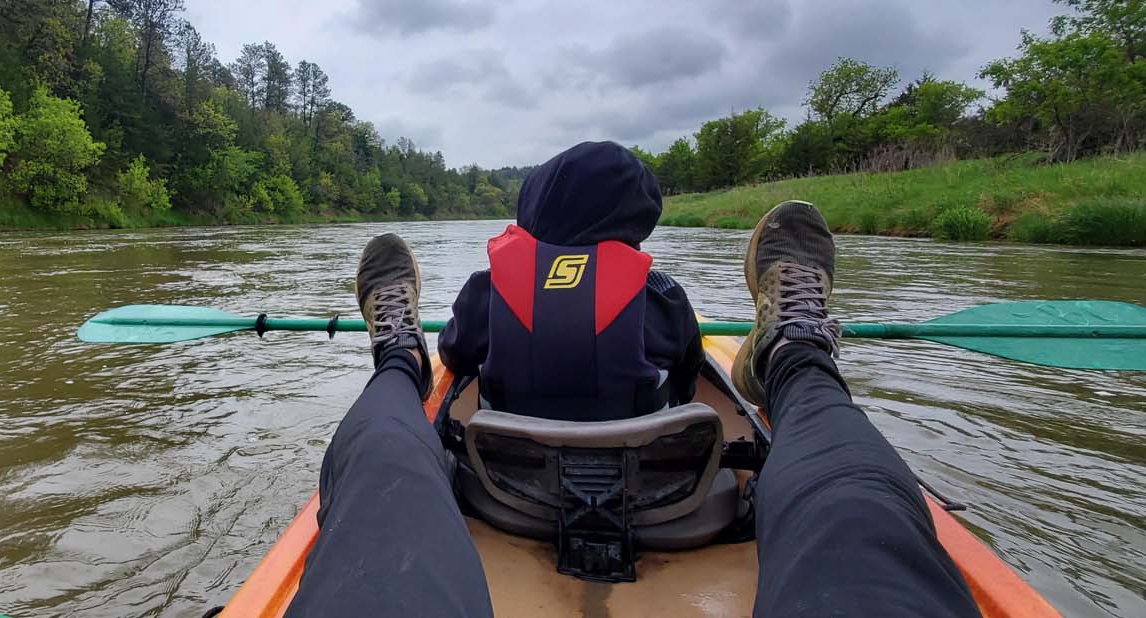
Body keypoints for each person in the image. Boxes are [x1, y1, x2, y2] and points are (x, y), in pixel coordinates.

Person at [286, 201, 982, 618]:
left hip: (501, 488)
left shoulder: (486, 288)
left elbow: (462, 358)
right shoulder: (660, 290)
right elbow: (685, 372)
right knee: (851, 481)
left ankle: (401, 358)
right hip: (671, 495)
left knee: (381, 447)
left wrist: (455, 355)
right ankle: (795, 357)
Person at [438, 140, 703, 421]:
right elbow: (688, 380)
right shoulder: (664, 296)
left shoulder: (486, 292)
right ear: (639, 216)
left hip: (507, 462)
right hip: (642, 457)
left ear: (536, 205)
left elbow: (454, 354)